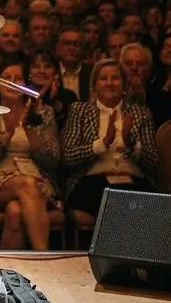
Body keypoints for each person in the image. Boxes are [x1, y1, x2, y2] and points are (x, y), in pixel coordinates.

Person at [0, 57, 62, 251]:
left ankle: (10, 273)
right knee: (26, 184)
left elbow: (53, 161)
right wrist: (8, 134)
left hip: (38, 180)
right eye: (6, 77)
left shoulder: (44, 113)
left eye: (17, 78)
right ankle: (44, 257)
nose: (11, 82)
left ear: (26, 83)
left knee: (15, 212)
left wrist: (31, 133)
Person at [62, 58, 158, 215]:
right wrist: (102, 143)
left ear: (125, 86)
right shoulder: (79, 111)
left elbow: (153, 162)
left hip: (133, 180)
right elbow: (67, 157)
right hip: (92, 180)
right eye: (103, 79)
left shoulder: (140, 113)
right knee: (121, 204)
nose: (109, 83)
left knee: (146, 204)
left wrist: (130, 143)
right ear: (94, 87)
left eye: (115, 78)